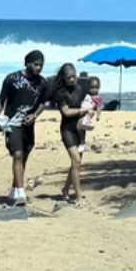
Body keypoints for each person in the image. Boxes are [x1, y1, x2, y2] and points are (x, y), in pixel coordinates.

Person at [0, 50, 47, 206]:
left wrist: (35, 115)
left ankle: (14, 191)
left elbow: (43, 103)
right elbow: (1, 100)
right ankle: (20, 192)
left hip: (28, 126)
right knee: (17, 155)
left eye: (41, 65)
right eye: (36, 64)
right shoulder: (12, 78)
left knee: (23, 157)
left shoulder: (42, 82)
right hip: (11, 124)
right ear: (27, 63)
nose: (39, 68)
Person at [47, 63, 99, 204]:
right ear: (63, 78)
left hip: (80, 129)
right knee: (76, 160)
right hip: (67, 130)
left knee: (76, 163)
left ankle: (65, 189)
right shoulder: (60, 93)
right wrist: (82, 110)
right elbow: (66, 112)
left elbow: (93, 98)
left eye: (74, 76)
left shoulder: (81, 87)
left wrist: (93, 109)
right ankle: (78, 196)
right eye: (69, 77)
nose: (72, 79)